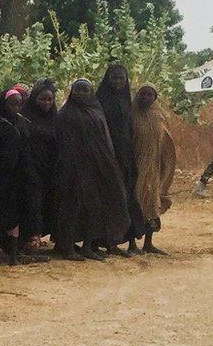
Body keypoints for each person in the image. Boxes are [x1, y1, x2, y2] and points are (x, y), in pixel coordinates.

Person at [53, 79, 130, 261]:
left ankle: (88, 246)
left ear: (91, 92)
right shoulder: (66, 113)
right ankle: (68, 247)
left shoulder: (96, 110)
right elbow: (62, 143)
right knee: (72, 208)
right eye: (77, 90)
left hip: (96, 167)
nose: (81, 93)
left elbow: (105, 138)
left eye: (85, 90)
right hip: (71, 169)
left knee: (93, 208)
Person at [96, 63, 146, 255]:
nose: (118, 81)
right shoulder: (100, 100)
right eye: (114, 78)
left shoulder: (126, 99)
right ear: (108, 79)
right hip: (109, 156)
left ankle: (132, 241)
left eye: (121, 78)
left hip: (126, 155)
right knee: (113, 199)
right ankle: (112, 243)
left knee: (130, 198)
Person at [0, 89, 43, 265]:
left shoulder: (23, 122)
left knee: (20, 212)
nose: (16, 107)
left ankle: (14, 253)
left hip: (22, 175)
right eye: (13, 103)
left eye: (19, 104)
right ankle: (0, 252)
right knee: (4, 213)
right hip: (3, 176)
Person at [132, 84, 177, 255]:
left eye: (149, 95)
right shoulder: (131, 115)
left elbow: (167, 142)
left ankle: (148, 243)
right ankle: (131, 243)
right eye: (142, 94)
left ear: (155, 97)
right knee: (134, 203)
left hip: (153, 168)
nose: (146, 98)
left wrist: (166, 166)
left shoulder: (159, 116)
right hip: (135, 166)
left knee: (152, 204)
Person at [21, 78, 59, 248]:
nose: (46, 102)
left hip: (49, 166)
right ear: (34, 99)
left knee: (47, 201)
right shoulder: (26, 117)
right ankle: (31, 235)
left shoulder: (55, 118)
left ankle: (41, 233)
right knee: (32, 201)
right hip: (30, 165)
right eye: (42, 99)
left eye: (49, 99)